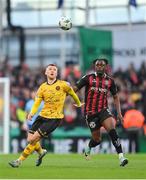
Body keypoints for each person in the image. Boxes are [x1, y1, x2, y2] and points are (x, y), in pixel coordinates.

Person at [9, 64, 83, 168]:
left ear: (56, 73)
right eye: (50, 69)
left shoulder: (63, 85)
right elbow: (37, 103)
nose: (52, 71)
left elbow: (72, 93)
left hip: (54, 119)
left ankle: (19, 161)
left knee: (34, 139)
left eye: (54, 69)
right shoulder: (42, 87)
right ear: (46, 72)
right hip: (42, 116)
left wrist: (78, 103)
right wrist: (31, 113)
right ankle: (41, 152)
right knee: (30, 139)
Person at [73, 58, 128, 167]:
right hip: (90, 113)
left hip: (103, 110)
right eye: (97, 65)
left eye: (101, 65)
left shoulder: (110, 81)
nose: (99, 66)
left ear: (106, 67)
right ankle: (88, 147)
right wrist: (68, 97)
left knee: (112, 130)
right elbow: (74, 89)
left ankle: (121, 157)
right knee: (97, 140)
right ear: (94, 66)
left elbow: (116, 97)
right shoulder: (88, 78)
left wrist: (119, 113)